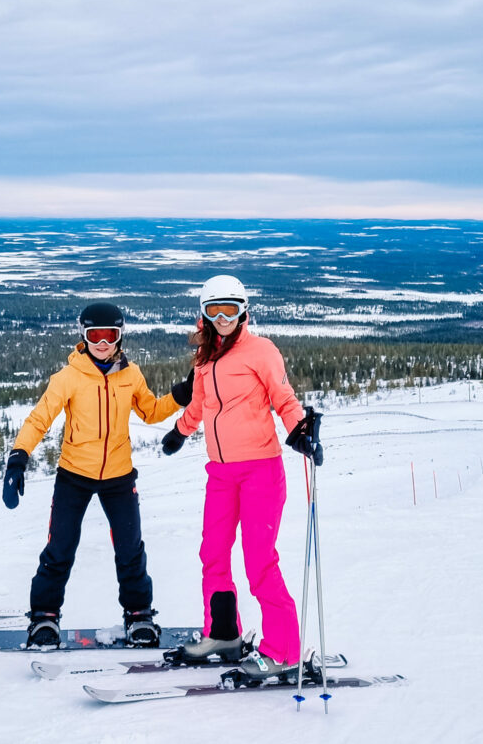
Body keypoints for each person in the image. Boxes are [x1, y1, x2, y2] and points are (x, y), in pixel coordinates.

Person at [1, 302, 193, 647]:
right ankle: (44, 617)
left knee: (130, 549)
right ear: (84, 336)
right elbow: (39, 419)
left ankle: (139, 615)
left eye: (110, 335)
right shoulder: (68, 378)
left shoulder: (130, 375)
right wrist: (19, 456)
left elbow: (150, 411)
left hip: (119, 476)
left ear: (120, 337)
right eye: (95, 335)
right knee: (60, 548)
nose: (102, 342)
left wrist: (180, 395)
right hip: (74, 475)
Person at [161, 275, 321, 679]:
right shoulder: (205, 358)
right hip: (220, 473)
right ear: (204, 314)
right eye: (214, 311)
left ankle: (283, 651)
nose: (222, 318)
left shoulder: (261, 351)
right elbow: (200, 404)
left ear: (243, 311)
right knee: (212, 554)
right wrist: (180, 431)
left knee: (259, 562)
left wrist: (300, 431)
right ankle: (223, 634)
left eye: (230, 309)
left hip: (260, 472)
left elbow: (284, 398)